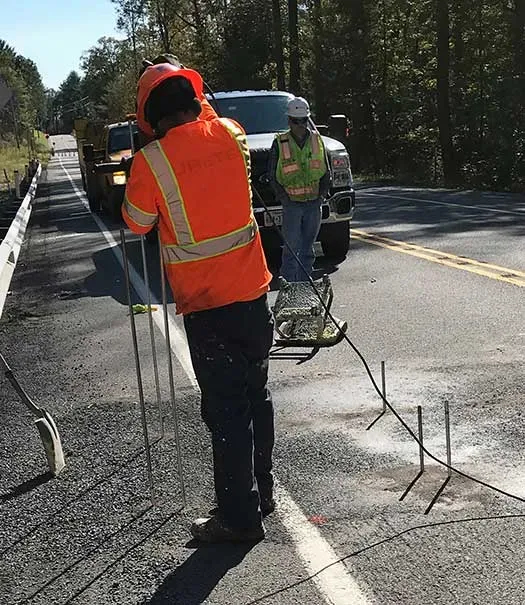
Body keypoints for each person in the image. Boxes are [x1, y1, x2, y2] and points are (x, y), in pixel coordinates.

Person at [122, 63, 275, 544]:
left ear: (149, 118)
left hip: (207, 305)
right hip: (252, 291)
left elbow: (134, 222)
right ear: (196, 96)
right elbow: (210, 121)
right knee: (255, 396)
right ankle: (260, 493)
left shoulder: (152, 161)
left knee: (226, 411)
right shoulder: (232, 134)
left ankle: (238, 519)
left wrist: (144, 150)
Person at [268, 97, 331, 282]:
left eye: (303, 120)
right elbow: (272, 174)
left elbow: (326, 171)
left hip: (313, 203)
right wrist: (283, 198)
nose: (300, 125)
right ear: (289, 121)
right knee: (291, 249)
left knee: (308, 248)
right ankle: (289, 286)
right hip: (292, 205)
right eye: (296, 121)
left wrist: (321, 196)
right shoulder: (280, 142)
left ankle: (304, 285)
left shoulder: (317, 140)